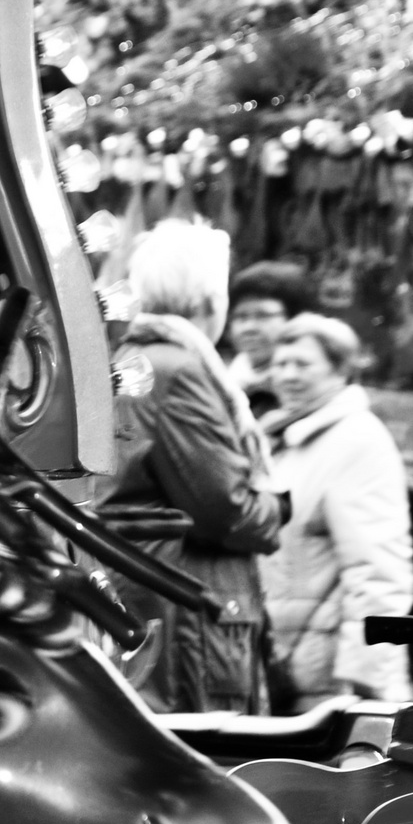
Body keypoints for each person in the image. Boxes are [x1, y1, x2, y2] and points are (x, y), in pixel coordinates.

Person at [94, 218, 287, 714]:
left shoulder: (134, 358)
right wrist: (276, 506)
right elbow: (226, 508)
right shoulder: (177, 371)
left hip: (156, 597)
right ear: (209, 298)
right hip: (186, 614)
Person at [260, 314, 413, 711]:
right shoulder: (284, 437)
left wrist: (366, 684)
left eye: (303, 364)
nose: (287, 375)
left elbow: (379, 570)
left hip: (330, 684)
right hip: (284, 667)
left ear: (340, 369)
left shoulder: (357, 440)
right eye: (280, 364)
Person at [226, 260, 318, 417]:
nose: (248, 328)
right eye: (241, 317)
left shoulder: (309, 389)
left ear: (295, 319)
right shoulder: (227, 381)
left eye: (262, 316)